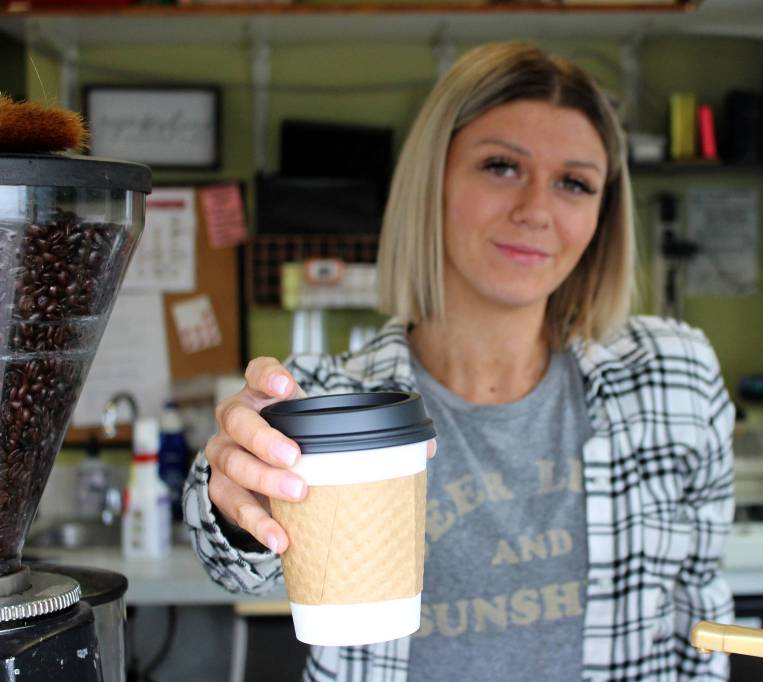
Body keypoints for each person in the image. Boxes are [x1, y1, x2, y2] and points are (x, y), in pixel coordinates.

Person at [183, 41, 735, 682]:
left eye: (575, 183)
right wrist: (237, 493)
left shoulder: (674, 376)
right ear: (433, 180)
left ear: (602, 215)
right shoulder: (326, 400)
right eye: (502, 166)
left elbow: (701, 620)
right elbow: (232, 560)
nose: (536, 210)